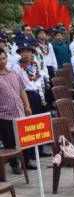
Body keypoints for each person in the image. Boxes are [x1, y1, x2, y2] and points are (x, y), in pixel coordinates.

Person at [0, 48, 32, 180]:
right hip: (4, 115)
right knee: (10, 142)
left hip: (20, 112)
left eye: (4, 58)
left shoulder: (13, 73)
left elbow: (22, 90)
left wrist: (27, 105)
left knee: (24, 139)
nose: (2, 61)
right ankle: (14, 164)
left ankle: (27, 161)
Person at [13, 43, 47, 117]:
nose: (26, 54)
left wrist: (42, 96)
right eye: (23, 52)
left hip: (37, 95)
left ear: (32, 53)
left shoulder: (35, 64)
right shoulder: (17, 67)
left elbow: (39, 81)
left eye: (28, 51)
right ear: (20, 54)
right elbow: (17, 86)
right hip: (27, 96)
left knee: (40, 120)